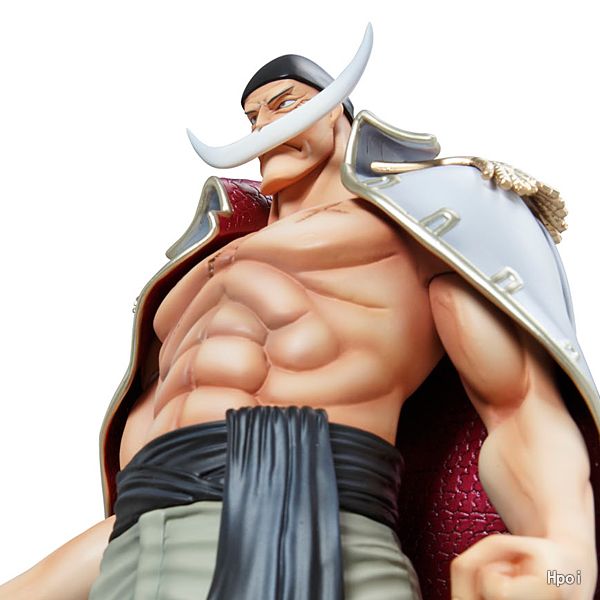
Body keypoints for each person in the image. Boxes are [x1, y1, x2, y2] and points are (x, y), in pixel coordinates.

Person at [1, 25, 598, 600]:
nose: (264, 127)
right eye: (252, 118)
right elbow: (156, 476)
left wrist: (566, 549)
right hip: (138, 548)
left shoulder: (418, 224)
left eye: (284, 104)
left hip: (315, 532)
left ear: (338, 112)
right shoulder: (200, 268)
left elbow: (519, 402)